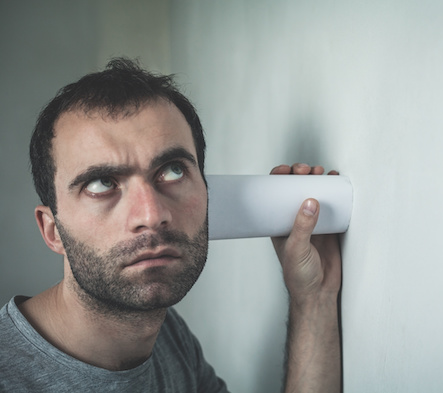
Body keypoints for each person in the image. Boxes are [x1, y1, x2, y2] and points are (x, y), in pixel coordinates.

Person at [0, 58, 341, 392]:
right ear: (52, 230)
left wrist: (313, 298)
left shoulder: (167, 336)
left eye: (173, 171)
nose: (151, 215)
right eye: (102, 183)